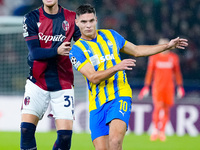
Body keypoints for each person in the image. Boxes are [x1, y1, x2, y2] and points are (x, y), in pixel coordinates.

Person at [69, 4, 188, 150]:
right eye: (83, 22)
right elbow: (93, 77)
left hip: (120, 94)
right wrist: (116, 67)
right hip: (97, 103)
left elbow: (137, 50)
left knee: (115, 141)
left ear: (96, 20)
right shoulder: (76, 51)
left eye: (91, 21)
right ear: (76, 22)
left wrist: (166, 47)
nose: (88, 25)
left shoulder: (111, 35)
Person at [21, 0, 80, 149]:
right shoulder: (31, 18)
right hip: (37, 82)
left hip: (63, 82)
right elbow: (34, 52)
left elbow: (83, 46)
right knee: (26, 129)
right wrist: (57, 51)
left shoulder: (72, 18)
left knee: (65, 136)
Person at [138, 38, 185, 141]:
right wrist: (146, 86)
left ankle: (162, 131)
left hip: (169, 88)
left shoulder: (174, 58)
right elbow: (150, 73)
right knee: (158, 108)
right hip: (158, 87)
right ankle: (155, 130)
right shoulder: (154, 58)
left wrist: (180, 87)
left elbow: (177, 73)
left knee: (166, 109)